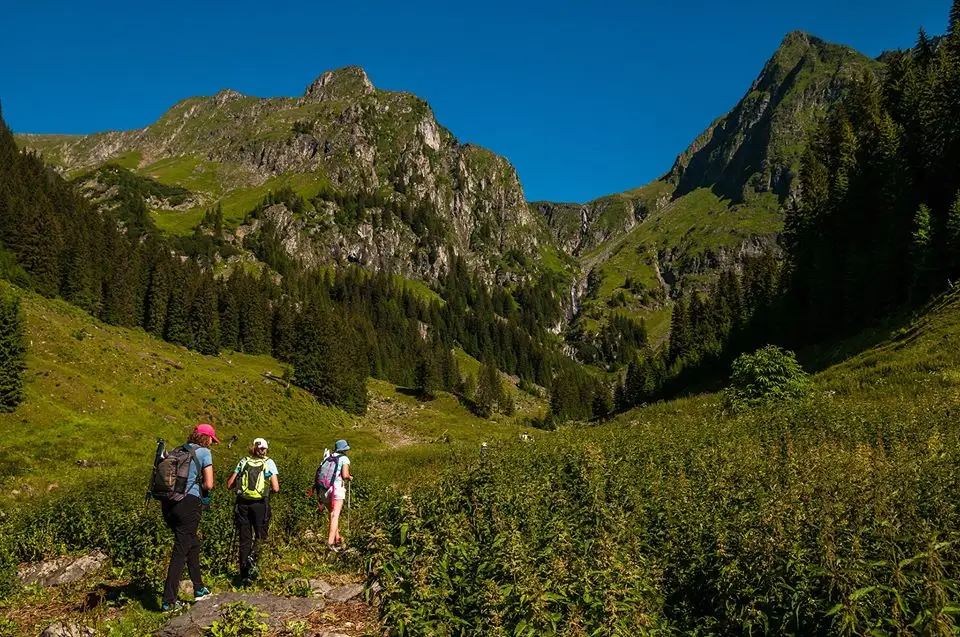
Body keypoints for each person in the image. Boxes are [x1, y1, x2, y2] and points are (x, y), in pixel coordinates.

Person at [161, 423, 218, 612]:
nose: (212, 443)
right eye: (212, 439)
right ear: (207, 438)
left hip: (168, 504)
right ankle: (168, 601)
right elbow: (209, 484)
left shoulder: (178, 451)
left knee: (192, 543)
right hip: (188, 503)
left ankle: (199, 588)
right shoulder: (204, 452)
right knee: (180, 551)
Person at [226, 437, 279, 585]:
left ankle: (243, 577)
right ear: (265, 449)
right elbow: (276, 488)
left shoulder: (243, 461)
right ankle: (253, 558)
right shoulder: (268, 462)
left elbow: (230, 484)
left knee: (244, 539)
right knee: (261, 534)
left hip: (242, 504)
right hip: (260, 504)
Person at [318, 439, 352, 550]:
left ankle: (337, 539)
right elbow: (345, 475)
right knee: (335, 515)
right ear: (344, 449)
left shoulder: (328, 457)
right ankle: (330, 543)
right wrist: (350, 477)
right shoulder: (344, 459)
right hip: (336, 490)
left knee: (332, 515)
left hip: (324, 490)